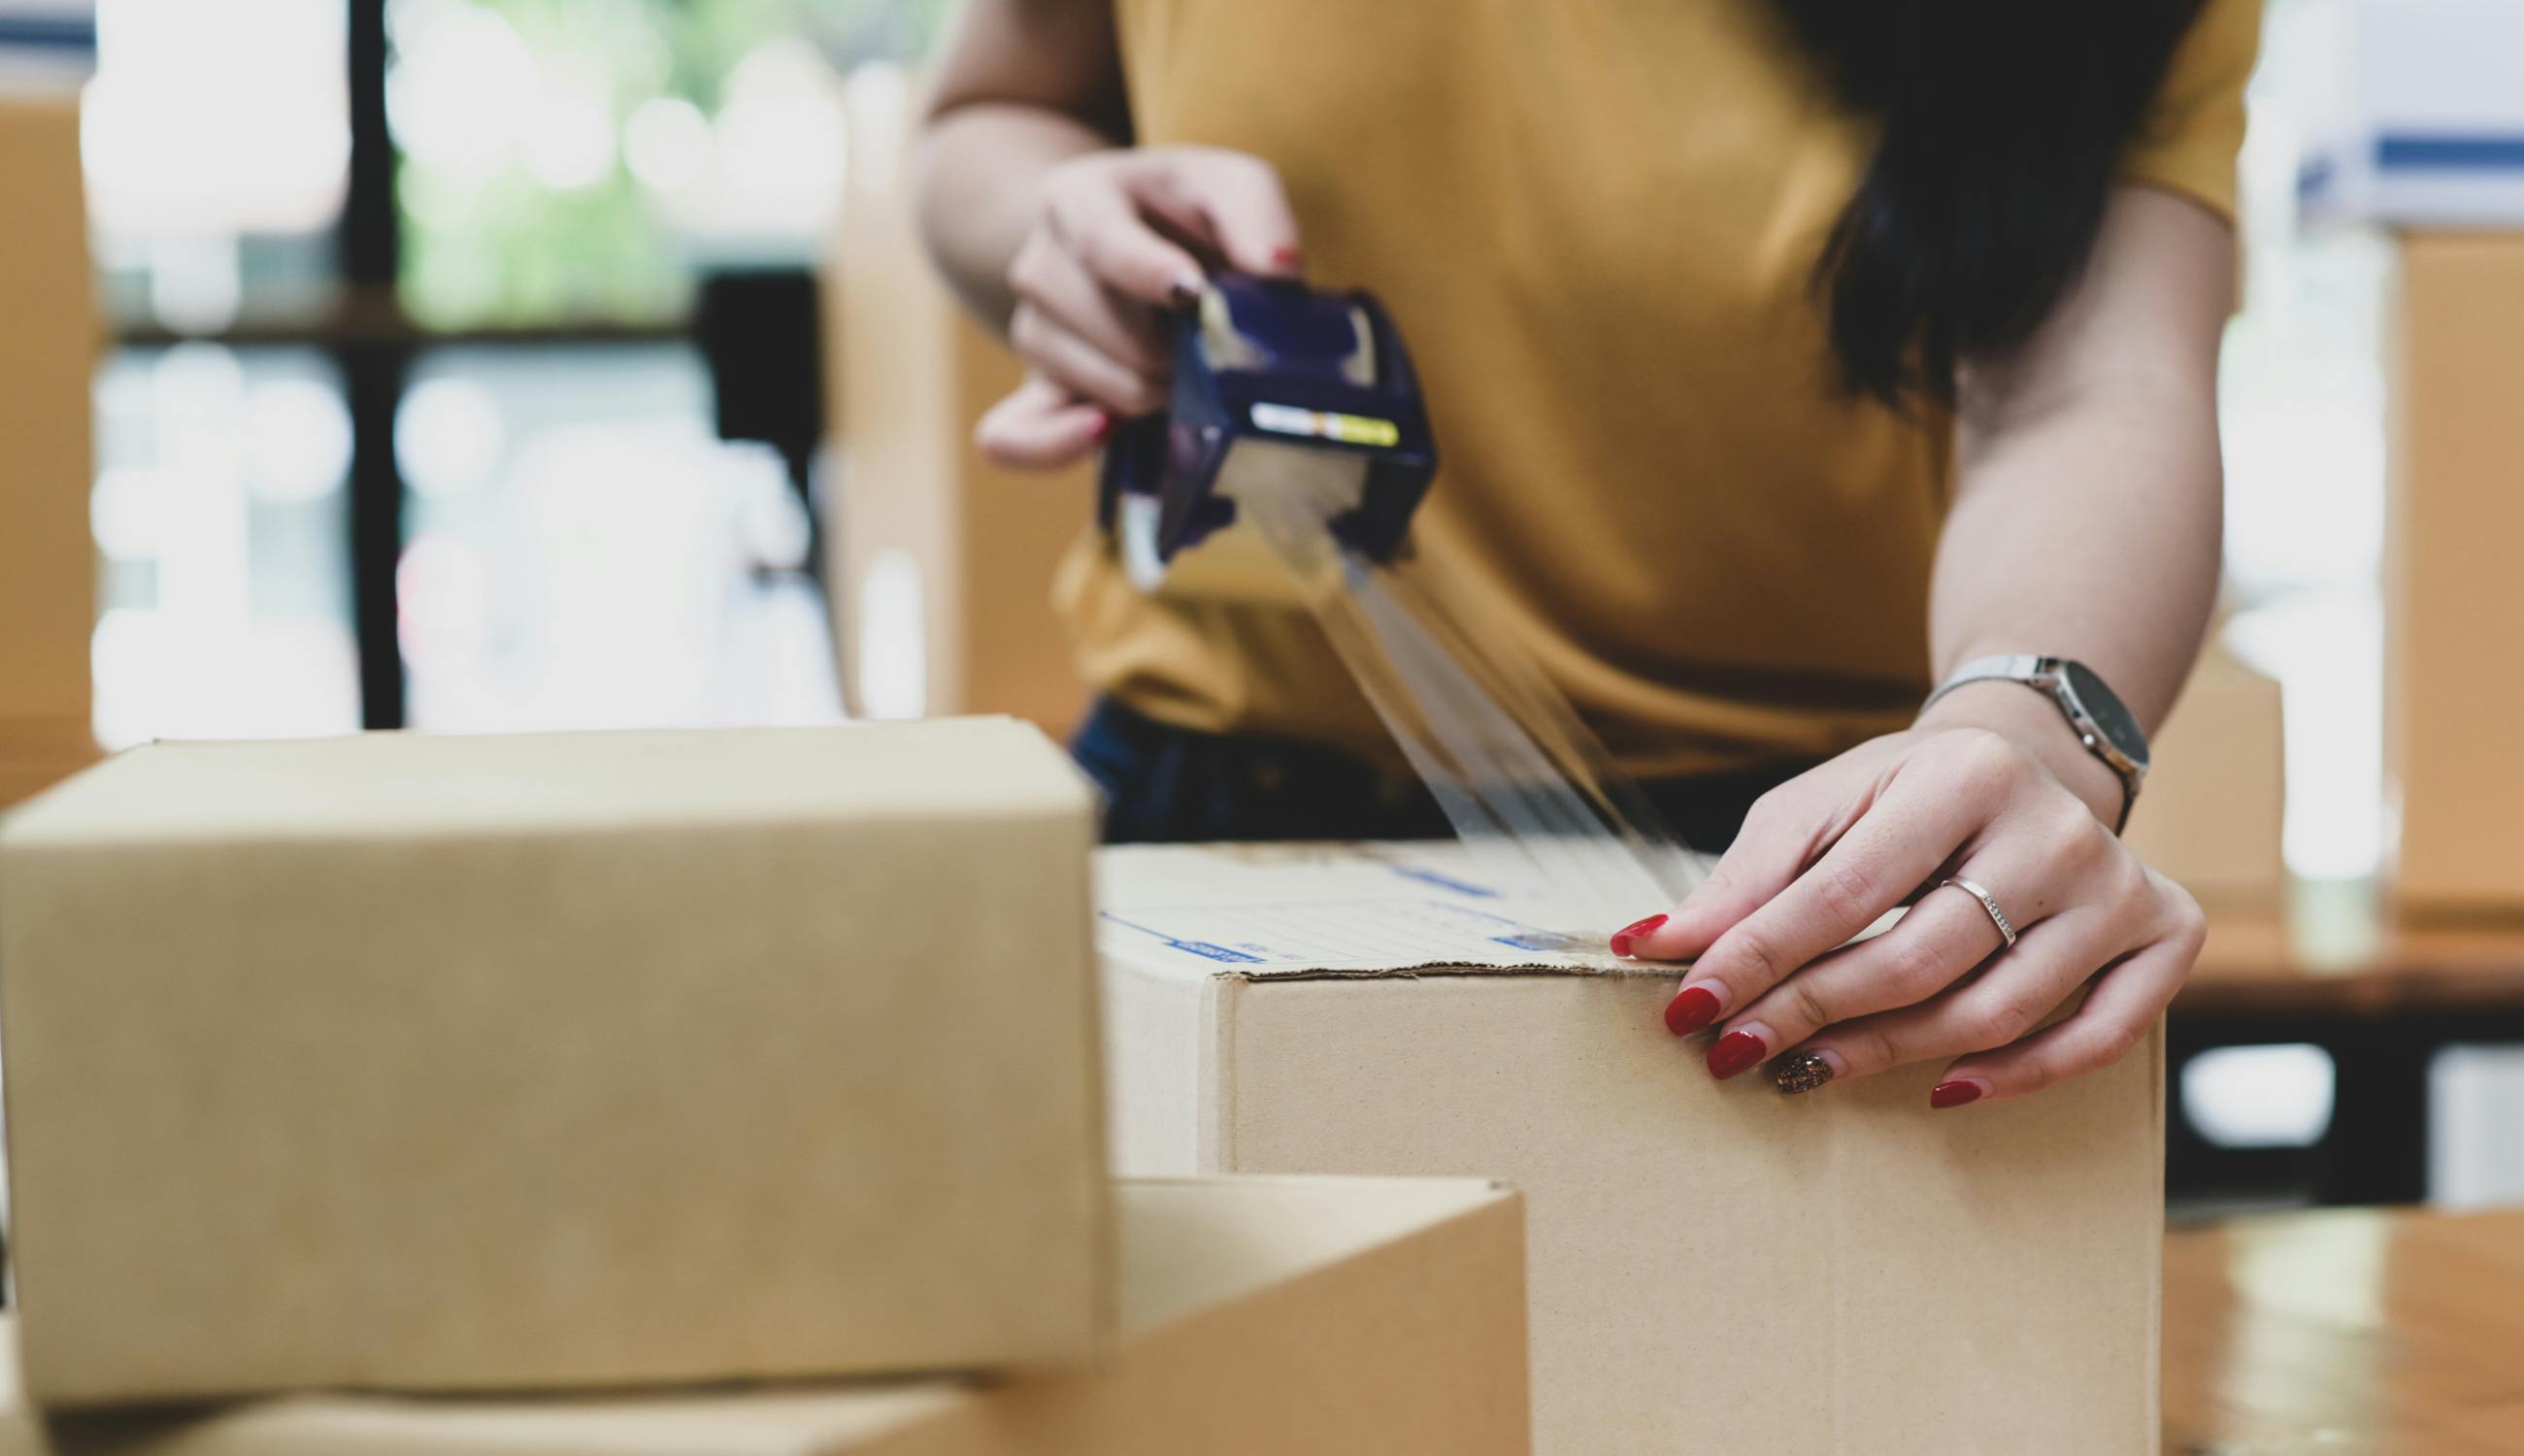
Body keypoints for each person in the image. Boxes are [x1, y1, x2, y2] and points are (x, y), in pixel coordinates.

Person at [913, 0, 2258, 1108]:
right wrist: (1057, 222)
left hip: (1814, 876)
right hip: (1216, 810)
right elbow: (988, 112)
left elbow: (2099, 384)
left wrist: (2025, 729)